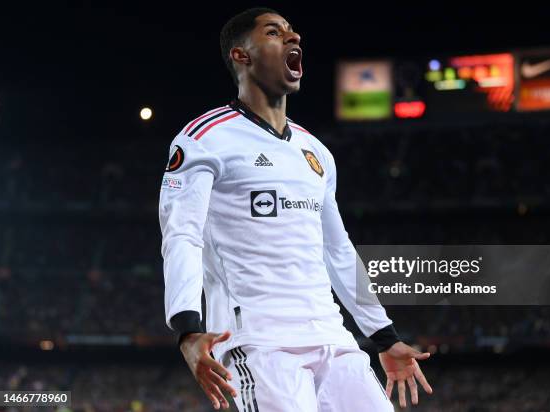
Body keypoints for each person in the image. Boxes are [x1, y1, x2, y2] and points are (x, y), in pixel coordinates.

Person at [159, 7, 432, 411]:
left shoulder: (315, 151)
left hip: (334, 339)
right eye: (274, 32)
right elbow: (180, 233)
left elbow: (337, 250)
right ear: (242, 55)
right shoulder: (204, 138)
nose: (293, 37)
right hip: (260, 342)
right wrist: (187, 328)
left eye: (292, 31)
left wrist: (384, 336)